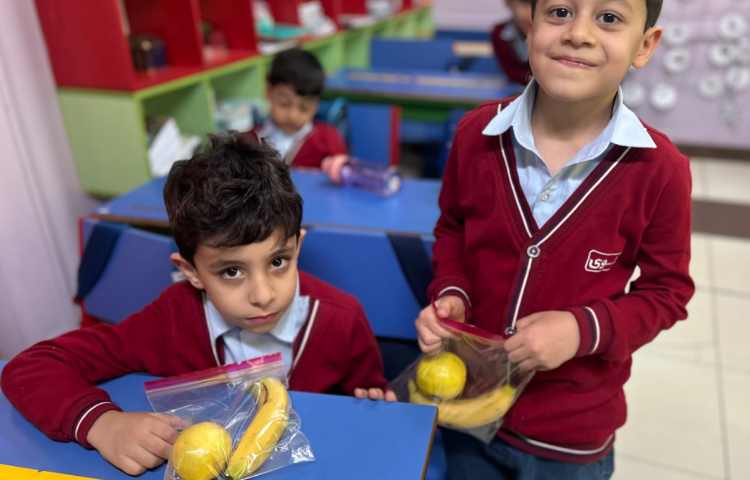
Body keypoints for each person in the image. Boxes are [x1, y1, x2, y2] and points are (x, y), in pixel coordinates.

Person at [1, 134, 393, 476]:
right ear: (191, 272)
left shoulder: (342, 320)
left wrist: (375, 403)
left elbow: (373, 404)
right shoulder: (171, 320)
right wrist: (101, 424)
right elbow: (31, 367)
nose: (263, 294)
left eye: (278, 261)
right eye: (232, 271)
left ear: (298, 247)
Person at [416, 0, 693, 478]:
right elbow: (454, 230)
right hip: (468, 404)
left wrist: (582, 329)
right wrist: (452, 292)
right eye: (560, 12)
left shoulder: (660, 170)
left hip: (570, 435)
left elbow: (667, 292)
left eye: (609, 18)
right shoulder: (476, 134)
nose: (578, 34)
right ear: (531, 25)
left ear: (645, 45)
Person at [247, 47, 349, 180]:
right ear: (268, 91)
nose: (293, 116)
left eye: (304, 108)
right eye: (284, 103)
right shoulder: (248, 143)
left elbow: (344, 181)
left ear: (317, 104)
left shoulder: (328, 141)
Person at [490, 0, 533, 84]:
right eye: (525, 3)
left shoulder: (552, 32)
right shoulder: (500, 33)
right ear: (509, 3)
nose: (532, 11)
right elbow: (511, 70)